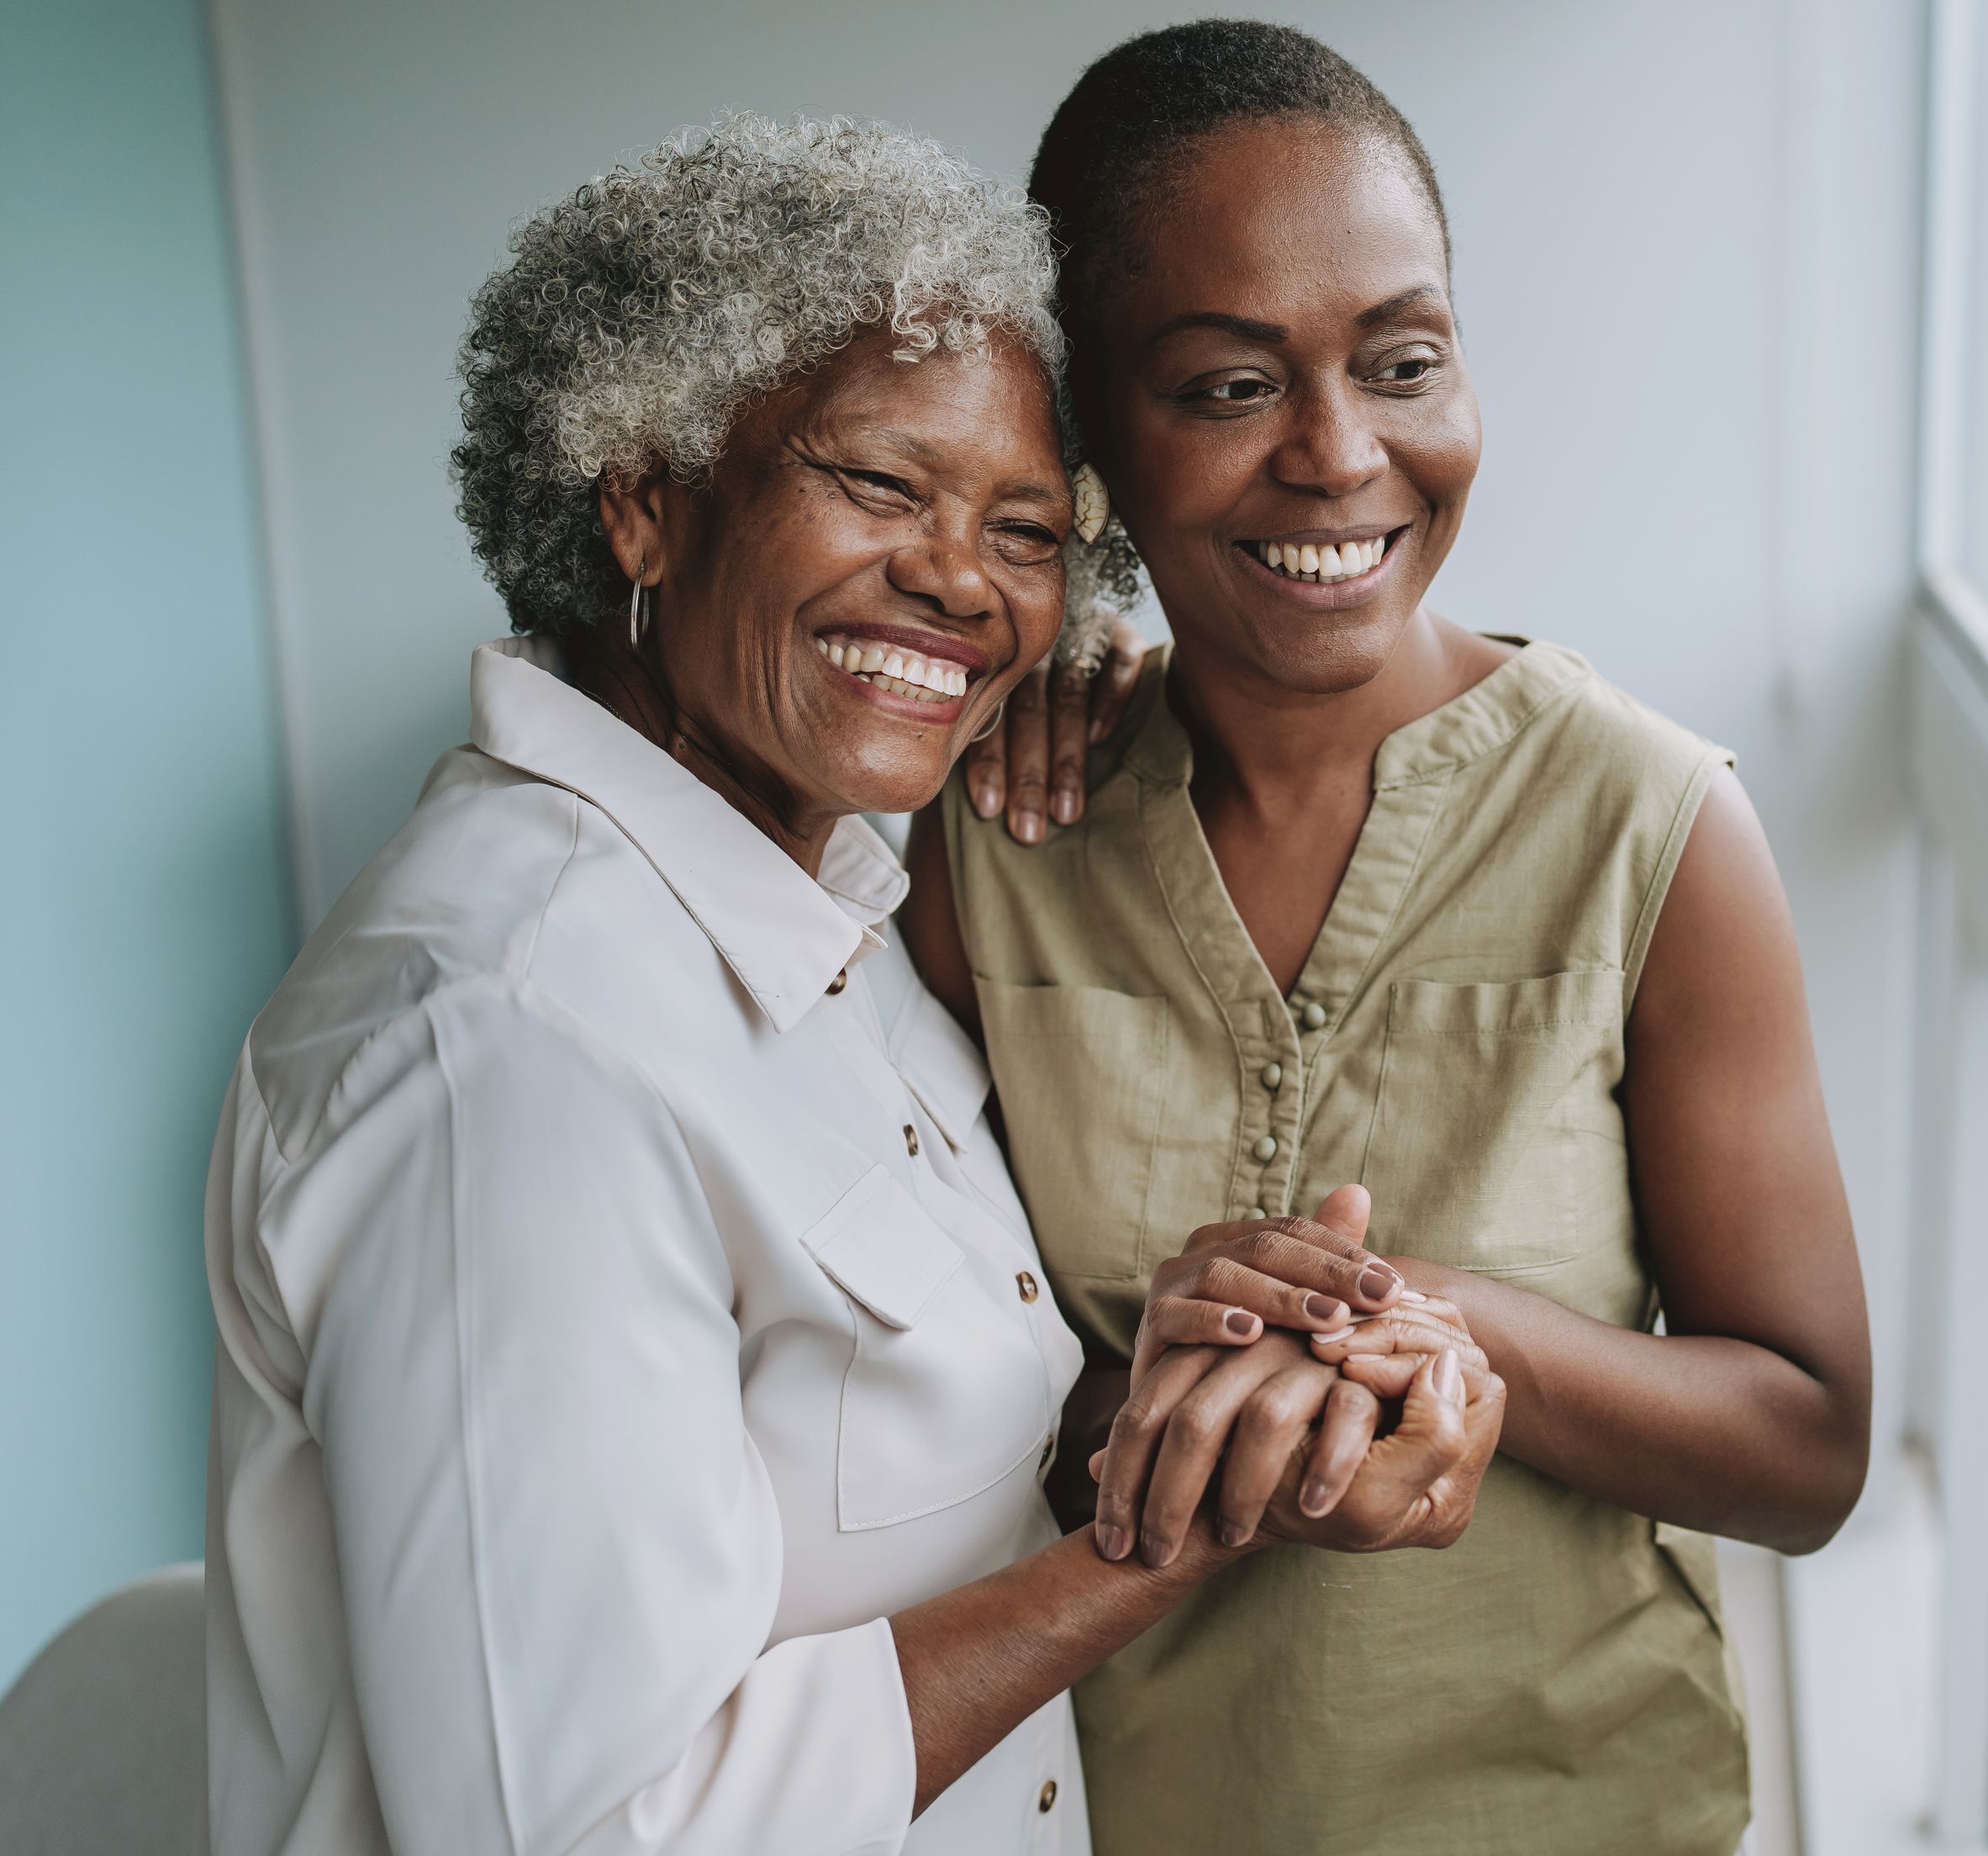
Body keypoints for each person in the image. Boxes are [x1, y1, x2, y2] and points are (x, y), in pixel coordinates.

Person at [203, 115, 1500, 1856]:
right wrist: (1189, 1532)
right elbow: (596, 1829)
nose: (963, 581)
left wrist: (1229, 1387)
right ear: (645, 500)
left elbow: (889, 1462)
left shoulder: (823, 909)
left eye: (1028, 531)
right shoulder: (506, 1044)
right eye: (882, 487)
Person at [903, 23, 1875, 1856]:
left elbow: (1810, 1446)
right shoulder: (991, 840)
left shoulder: (1650, 830)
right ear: (1092, 430)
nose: (1340, 456)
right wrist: (1168, 1398)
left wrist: (1423, 1325)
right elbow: (926, 1424)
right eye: (1225, 387)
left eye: (1403, 361)